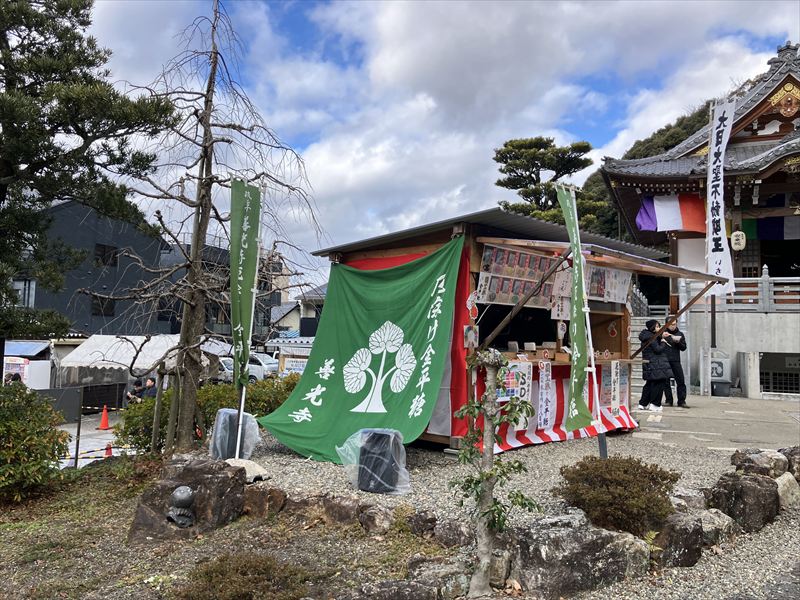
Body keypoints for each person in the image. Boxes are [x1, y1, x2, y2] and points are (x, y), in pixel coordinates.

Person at [636, 319, 673, 413]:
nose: (659, 328)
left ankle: (643, 403)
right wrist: (663, 341)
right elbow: (658, 349)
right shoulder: (651, 337)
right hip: (656, 363)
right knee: (658, 383)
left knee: (649, 384)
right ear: (652, 327)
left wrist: (661, 336)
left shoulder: (647, 336)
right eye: (656, 326)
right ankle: (655, 404)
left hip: (650, 363)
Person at [663, 317, 689, 408]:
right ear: (666, 324)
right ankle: (668, 400)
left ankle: (681, 401)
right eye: (670, 324)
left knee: (681, 380)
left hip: (676, 360)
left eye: (674, 324)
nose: (672, 326)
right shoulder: (663, 333)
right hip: (665, 360)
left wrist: (677, 341)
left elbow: (683, 348)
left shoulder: (680, 334)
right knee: (666, 382)